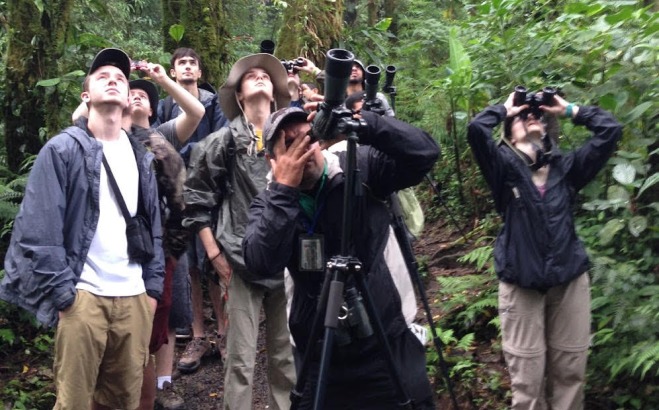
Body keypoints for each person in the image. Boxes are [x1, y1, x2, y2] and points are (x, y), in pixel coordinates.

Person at [242, 106, 439, 409]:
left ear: (320, 141)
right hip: (318, 353)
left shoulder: (357, 167)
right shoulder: (269, 203)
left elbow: (424, 153)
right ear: (271, 160)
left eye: (306, 139)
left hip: (385, 339)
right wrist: (284, 190)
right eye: (288, 144)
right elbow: (259, 262)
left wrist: (362, 124)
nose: (301, 150)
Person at [1, 48, 164, 410]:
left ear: (127, 98)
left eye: (120, 78)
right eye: (103, 75)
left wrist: (151, 289)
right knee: (74, 402)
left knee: (123, 402)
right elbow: (39, 230)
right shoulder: (62, 150)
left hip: (134, 297)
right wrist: (64, 296)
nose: (113, 80)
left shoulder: (142, 156)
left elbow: (154, 226)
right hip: (83, 297)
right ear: (86, 95)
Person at [466, 90, 622, 409]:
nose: (530, 116)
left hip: (569, 283)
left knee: (570, 372)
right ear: (508, 130)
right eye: (523, 116)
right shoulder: (503, 168)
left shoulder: (566, 169)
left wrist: (569, 110)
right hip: (521, 285)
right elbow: (476, 130)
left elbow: (610, 130)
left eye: (536, 115)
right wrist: (506, 108)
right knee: (528, 378)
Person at [183, 53, 296, 410]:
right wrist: (214, 255)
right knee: (241, 360)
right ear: (240, 95)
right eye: (252, 76)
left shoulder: (293, 137)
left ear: (276, 95)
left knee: (285, 356)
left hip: (288, 260)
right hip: (240, 259)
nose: (261, 78)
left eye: (267, 76)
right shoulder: (221, 142)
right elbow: (196, 200)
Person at [127, 69, 203, 410]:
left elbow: (197, 112)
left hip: (167, 240)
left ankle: (163, 383)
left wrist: (158, 78)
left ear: (155, 110)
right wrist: (113, 75)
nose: (137, 95)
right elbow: (78, 115)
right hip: (128, 245)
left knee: (168, 314)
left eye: (145, 96)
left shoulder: (163, 135)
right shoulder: (104, 134)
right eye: (132, 93)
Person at [158, 47, 229, 375]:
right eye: (181, 63)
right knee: (190, 268)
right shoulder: (164, 107)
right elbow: (157, 146)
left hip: (209, 193)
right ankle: (199, 336)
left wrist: (181, 154)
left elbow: (216, 143)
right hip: (177, 198)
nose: (187, 67)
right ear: (173, 73)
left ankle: (225, 334)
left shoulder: (213, 104)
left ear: (199, 71)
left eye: (192, 62)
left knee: (214, 262)